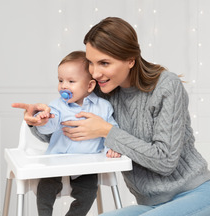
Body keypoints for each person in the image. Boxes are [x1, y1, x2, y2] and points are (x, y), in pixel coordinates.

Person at [13, 17, 210, 216]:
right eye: (90, 63)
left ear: (130, 60)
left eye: (104, 63)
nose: (95, 73)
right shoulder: (100, 93)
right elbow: (63, 133)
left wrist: (106, 131)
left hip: (195, 193)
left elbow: (165, 161)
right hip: (149, 203)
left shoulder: (166, 86)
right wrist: (41, 120)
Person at [13, 50, 120, 216]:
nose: (63, 86)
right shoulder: (57, 106)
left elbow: (111, 130)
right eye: (60, 80)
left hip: (87, 163)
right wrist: (44, 119)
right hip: (56, 160)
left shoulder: (103, 107)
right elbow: (51, 126)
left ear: (90, 85)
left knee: (88, 193)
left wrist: (111, 148)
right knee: (45, 189)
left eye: (71, 81)